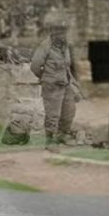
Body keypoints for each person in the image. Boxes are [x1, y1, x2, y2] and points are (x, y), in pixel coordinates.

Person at [30, 21, 80, 152]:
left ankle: (62, 136)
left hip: (65, 83)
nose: (62, 35)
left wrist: (74, 82)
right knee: (53, 114)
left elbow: (70, 66)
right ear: (53, 33)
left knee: (69, 111)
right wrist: (45, 77)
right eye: (59, 32)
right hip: (52, 86)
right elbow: (35, 65)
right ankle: (50, 141)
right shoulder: (45, 46)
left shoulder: (66, 46)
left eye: (64, 32)